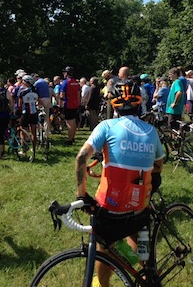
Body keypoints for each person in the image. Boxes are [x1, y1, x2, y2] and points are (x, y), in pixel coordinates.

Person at [74, 80, 164, 286]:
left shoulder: (106, 126)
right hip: (139, 203)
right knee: (139, 234)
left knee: (103, 246)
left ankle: (103, 283)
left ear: (113, 105)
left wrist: (82, 195)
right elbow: (158, 165)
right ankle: (148, 273)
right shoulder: (151, 131)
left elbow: (81, 159)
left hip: (110, 206)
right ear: (138, 103)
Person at [18, 75, 39, 160]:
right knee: (33, 131)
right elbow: (38, 100)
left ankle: (23, 149)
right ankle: (33, 148)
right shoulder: (35, 90)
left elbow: (20, 104)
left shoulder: (22, 92)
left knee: (23, 131)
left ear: (26, 82)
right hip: (33, 112)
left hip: (25, 112)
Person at [60, 66, 81, 144]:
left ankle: (70, 139)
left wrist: (60, 103)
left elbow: (62, 95)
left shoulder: (65, 82)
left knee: (69, 122)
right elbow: (78, 95)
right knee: (74, 121)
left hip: (68, 104)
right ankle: (73, 137)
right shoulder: (76, 82)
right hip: (75, 104)